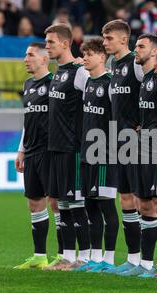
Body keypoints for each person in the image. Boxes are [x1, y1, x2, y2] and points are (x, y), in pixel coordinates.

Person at [118, 34, 157, 277]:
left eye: (141, 46)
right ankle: (145, 262)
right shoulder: (145, 79)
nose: (135, 49)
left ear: (154, 52)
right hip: (143, 148)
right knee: (144, 204)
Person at [41, 23, 92, 271]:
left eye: (50, 42)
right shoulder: (58, 73)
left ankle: (84, 258)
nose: (47, 46)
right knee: (61, 203)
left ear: (64, 43)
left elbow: (98, 99)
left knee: (76, 204)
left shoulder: (80, 72)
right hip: (56, 147)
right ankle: (68, 257)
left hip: (73, 147)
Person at [100, 20, 144, 275]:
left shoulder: (136, 65)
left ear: (122, 40)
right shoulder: (114, 66)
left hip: (138, 141)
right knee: (126, 199)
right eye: (104, 39)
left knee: (143, 201)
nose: (105, 43)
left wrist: (143, 125)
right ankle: (133, 258)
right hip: (118, 141)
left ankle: (150, 261)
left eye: (108, 39)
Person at [73, 38, 120, 273]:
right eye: (83, 54)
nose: (85, 58)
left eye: (89, 54)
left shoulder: (110, 83)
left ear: (102, 57)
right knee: (90, 204)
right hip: (87, 151)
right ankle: (94, 256)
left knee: (106, 206)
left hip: (105, 152)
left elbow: (117, 117)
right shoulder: (88, 84)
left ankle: (109, 260)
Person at [13, 42, 56, 269]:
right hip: (31, 151)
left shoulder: (55, 83)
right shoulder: (28, 84)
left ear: (44, 58)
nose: (25, 59)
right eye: (25, 54)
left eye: (30, 55)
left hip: (51, 151)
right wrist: (21, 149)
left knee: (56, 202)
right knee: (34, 203)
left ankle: (64, 256)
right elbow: (27, 121)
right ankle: (40, 257)